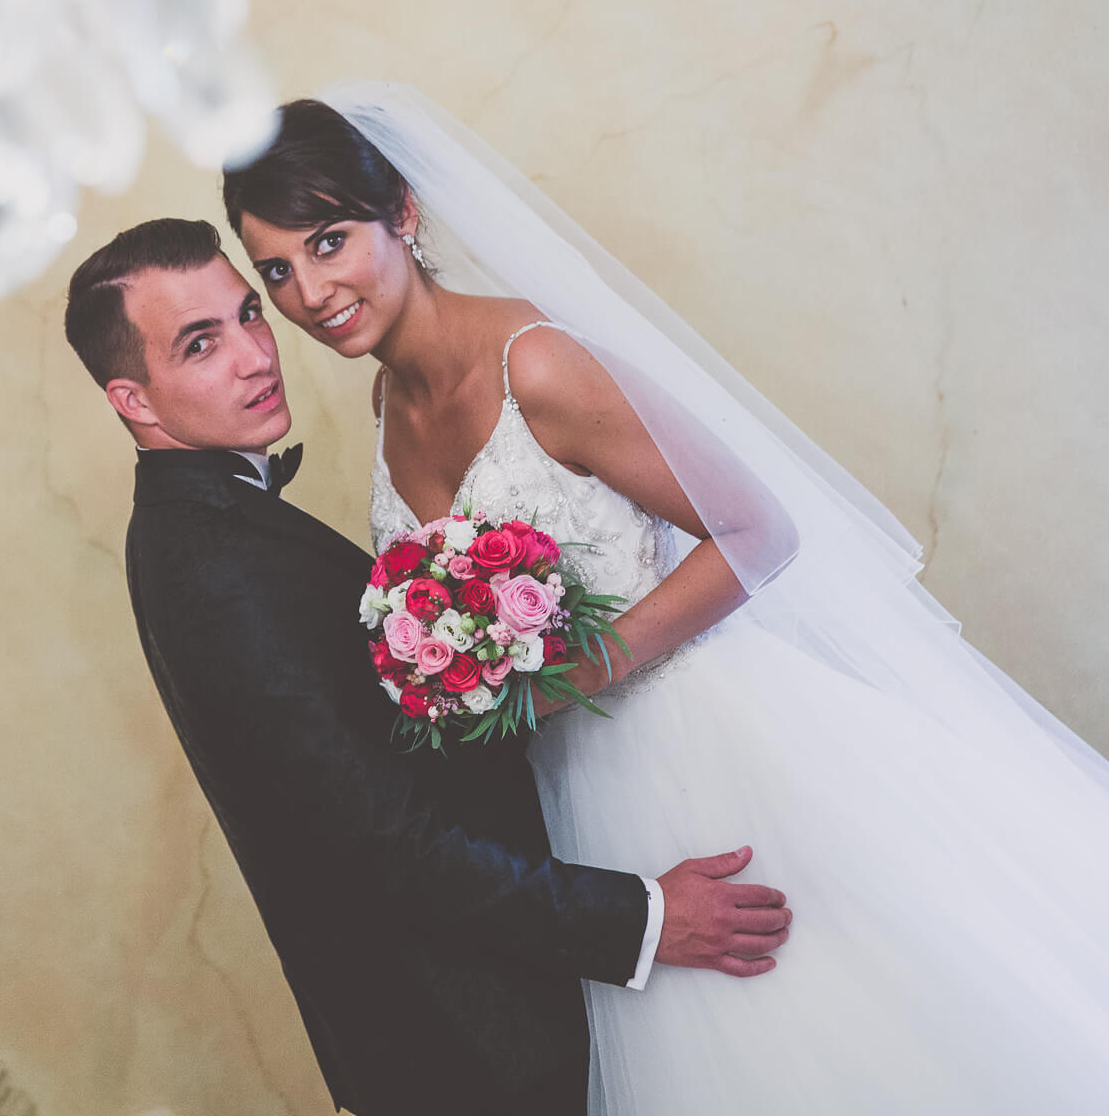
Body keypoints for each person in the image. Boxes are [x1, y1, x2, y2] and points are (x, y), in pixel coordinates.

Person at [221, 84, 1109, 1114]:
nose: (310, 291)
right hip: (587, 813)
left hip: (721, 746)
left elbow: (756, 533)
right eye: (277, 271)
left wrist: (566, 678)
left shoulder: (534, 362)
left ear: (405, 216)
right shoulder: (385, 415)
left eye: (329, 242)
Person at [63, 217, 792, 1116]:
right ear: (134, 400)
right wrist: (642, 922)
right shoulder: (215, 567)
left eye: (250, 314)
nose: (257, 354)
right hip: (468, 1045)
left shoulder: (212, 529)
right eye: (202, 344)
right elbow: (383, 844)